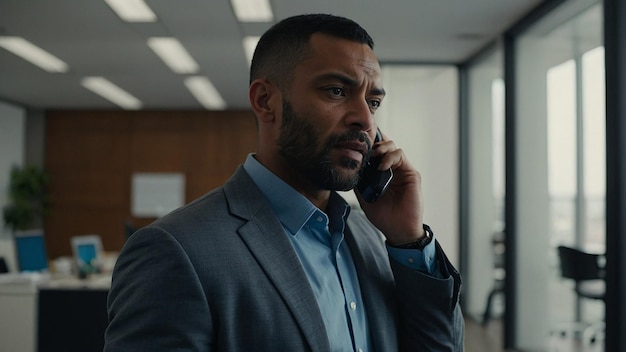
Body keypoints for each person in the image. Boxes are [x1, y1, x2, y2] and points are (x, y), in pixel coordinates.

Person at [104, 14, 464, 351]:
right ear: (265, 101)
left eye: (373, 102)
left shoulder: (371, 237)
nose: (364, 121)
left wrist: (409, 239)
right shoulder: (175, 250)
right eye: (336, 91)